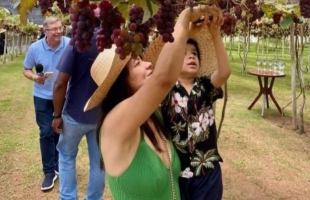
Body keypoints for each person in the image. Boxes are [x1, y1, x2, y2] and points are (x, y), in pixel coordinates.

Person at [83, 5, 223, 200]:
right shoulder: (114, 125)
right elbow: (163, 79)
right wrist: (184, 18)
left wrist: (186, 35)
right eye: (137, 63)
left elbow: (169, 74)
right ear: (120, 82)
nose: (148, 63)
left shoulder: (154, 115)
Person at [158, 12, 231, 200]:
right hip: (178, 172)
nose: (191, 57)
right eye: (183, 54)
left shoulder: (205, 86)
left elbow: (224, 73)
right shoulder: (166, 91)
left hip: (208, 170)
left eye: (194, 54)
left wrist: (215, 35)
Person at [52, 18, 105, 200]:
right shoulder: (114, 45)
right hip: (101, 117)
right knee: (98, 163)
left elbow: (60, 84)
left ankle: (67, 198)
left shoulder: (78, 42)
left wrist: (56, 115)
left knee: (66, 156)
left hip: (74, 114)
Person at [23, 17, 70, 191]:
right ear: (45, 32)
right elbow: (26, 69)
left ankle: (58, 165)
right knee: (46, 133)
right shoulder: (35, 48)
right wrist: (35, 77)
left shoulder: (70, 44)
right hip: (42, 96)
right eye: (54, 29)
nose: (59, 31)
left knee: (61, 131)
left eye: (60, 28)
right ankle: (49, 171)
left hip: (65, 96)